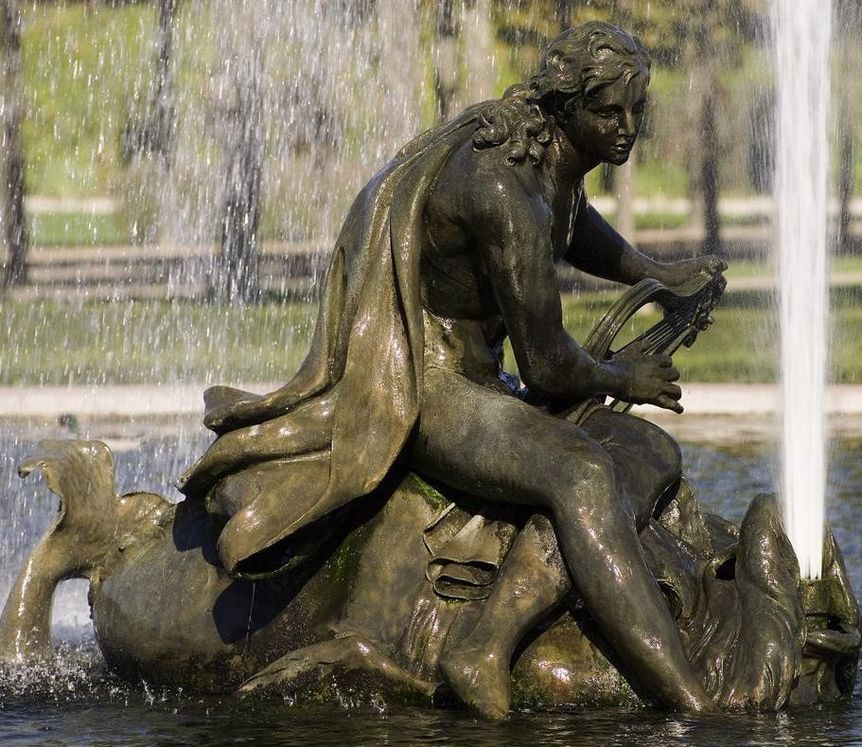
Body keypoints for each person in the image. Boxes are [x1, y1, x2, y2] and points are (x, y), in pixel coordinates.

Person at [177, 22, 724, 716]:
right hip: (432, 388)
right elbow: (550, 365)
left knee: (652, 449)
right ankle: (686, 699)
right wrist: (625, 379)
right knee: (583, 472)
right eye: (609, 111)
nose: (627, 128)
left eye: (636, 110)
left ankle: (487, 642)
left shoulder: (544, 161)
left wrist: (658, 271)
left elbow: (576, 222)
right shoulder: (503, 191)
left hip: (484, 382)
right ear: (566, 107)